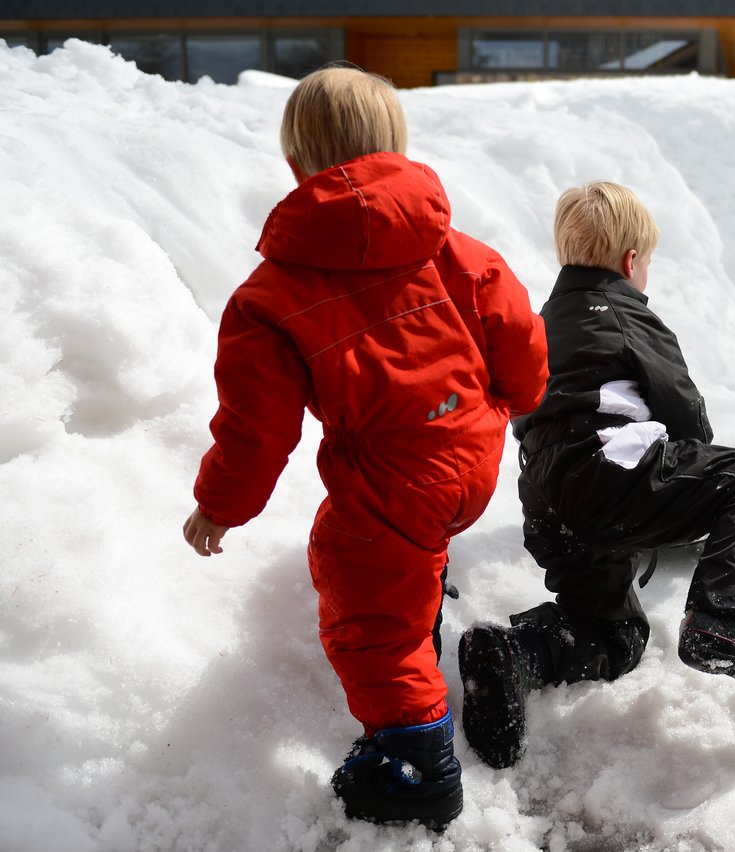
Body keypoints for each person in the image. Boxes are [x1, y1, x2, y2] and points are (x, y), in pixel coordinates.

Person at [180, 66, 548, 827]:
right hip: (471, 457)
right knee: (410, 548)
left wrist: (219, 506)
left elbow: (258, 428)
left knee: (365, 607)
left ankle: (416, 762)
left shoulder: (268, 296)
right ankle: (426, 607)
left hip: (392, 480)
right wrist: (509, 403)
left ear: (296, 165)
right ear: (394, 146)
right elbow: (522, 342)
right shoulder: (459, 251)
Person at [457, 181, 735, 771]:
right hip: (612, 472)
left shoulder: (541, 322)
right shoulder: (625, 312)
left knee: (611, 635)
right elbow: (684, 413)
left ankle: (515, 655)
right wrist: (700, 511)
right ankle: (727, 614)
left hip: (548, 503)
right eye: (646, 262)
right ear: (630, 262)